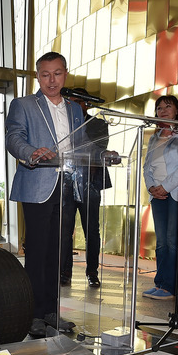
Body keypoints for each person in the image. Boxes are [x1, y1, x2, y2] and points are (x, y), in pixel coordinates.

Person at [6, 51, 83, 337]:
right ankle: (34, 314)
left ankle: (51, 311)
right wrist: (31, 153)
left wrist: (99, 153)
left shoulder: (75, 109)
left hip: (68, 185)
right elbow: (14, 138)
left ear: (65, 73)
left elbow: (82, 142)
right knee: (38, 252)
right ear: (37, 76)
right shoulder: (23, 105)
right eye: (45, 74)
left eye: (57, 73)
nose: (52, 80)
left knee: (58, 252)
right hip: (38, 184)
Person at [142, 95, 178, 300]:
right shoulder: (154, 136)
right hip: (157, 194)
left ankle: (170, 286)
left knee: (172, 240)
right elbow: (147, 166)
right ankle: (160, 283)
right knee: (161, 242)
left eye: (168, 106)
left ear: (177, 110)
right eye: (159, 108)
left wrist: (165, 187)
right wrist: (151, 187)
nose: (163, 111)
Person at [60, 88, 111, 288]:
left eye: (77, 102)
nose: (72, 106)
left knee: (92, 230)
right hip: (66, 181)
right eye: (69, 102)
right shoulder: (62, 125)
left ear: (85, 104)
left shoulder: (98, 123)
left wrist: (79, 124)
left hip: (90, 181)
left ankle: (92, 272)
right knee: (65, 230)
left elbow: (98, 148)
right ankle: (65, 273)